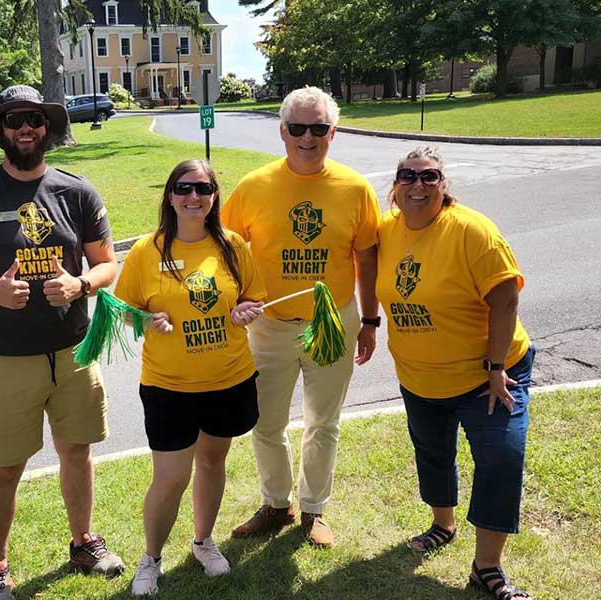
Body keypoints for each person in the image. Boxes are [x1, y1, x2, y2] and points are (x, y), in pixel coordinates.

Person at [0, 84, 123, 600]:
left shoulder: (76, 192)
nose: (26, 128)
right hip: (6, 358)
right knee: (5, 465)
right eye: (16, 119)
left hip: (74, 350)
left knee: (77, 450)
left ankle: (84, 541)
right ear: (0, 128)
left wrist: (82, 283)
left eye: (35, 120)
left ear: (47, 127)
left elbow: (106, 263)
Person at [222, 85, 380, 547]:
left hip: (333, 325)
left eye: (317, 128)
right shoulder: (254, 186)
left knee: (322, 422)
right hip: (270, 326)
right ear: (282, 131)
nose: (307, 138)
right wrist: (235, 300)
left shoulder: (354, 188)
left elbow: (367, 259)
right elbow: (224, 250)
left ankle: (314, 509)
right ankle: (277, 504)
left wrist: (369, 321)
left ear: (334, 131)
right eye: (297, 128)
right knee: (265, 423)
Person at [377, 147, 534, 600]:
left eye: (430, 177)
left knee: (501, 457)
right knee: (431, 450)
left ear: (443, 183)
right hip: (420, 374)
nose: (418, 185)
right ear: (396, 184)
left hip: (487, 374)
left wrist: (496, 367)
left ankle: (487, 567)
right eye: (408, 176)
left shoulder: (472, 230)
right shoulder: (388, 229)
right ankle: (442, 525)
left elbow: (505, 300)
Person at [115, 159, 267, 596]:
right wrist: (146, 319)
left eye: (202, 188)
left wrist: (245, 311)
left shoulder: (233, 246)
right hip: (169, 387)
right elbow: (123, 311)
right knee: (170, 478)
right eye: (183, 188)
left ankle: (203, 542)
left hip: (229, 378)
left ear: (214, 196)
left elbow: (254, 296)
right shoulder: (148, 250)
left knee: (213, 460)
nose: (193, 197)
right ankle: (152, 558)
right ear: (170, 196)